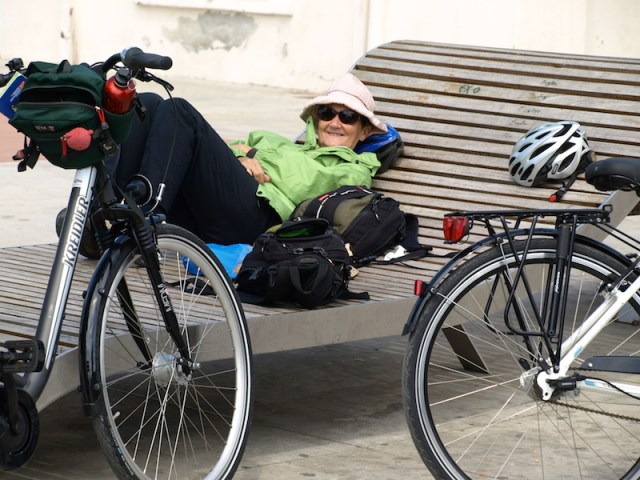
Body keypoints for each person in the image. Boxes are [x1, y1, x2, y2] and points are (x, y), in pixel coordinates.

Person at [105, 73, 386, 248]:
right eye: (327, 112)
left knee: (179, 110)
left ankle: (142, 217)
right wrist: (239, 154)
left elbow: (302, 184)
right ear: (316, 119)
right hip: (220, 213)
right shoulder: (287, 146)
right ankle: (113, 211)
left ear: (364, 131)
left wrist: (248, 153)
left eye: (348, 116)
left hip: (259, 223)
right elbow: (222, 148)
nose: (335, 122)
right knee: (150, 104)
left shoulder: (354, 170)